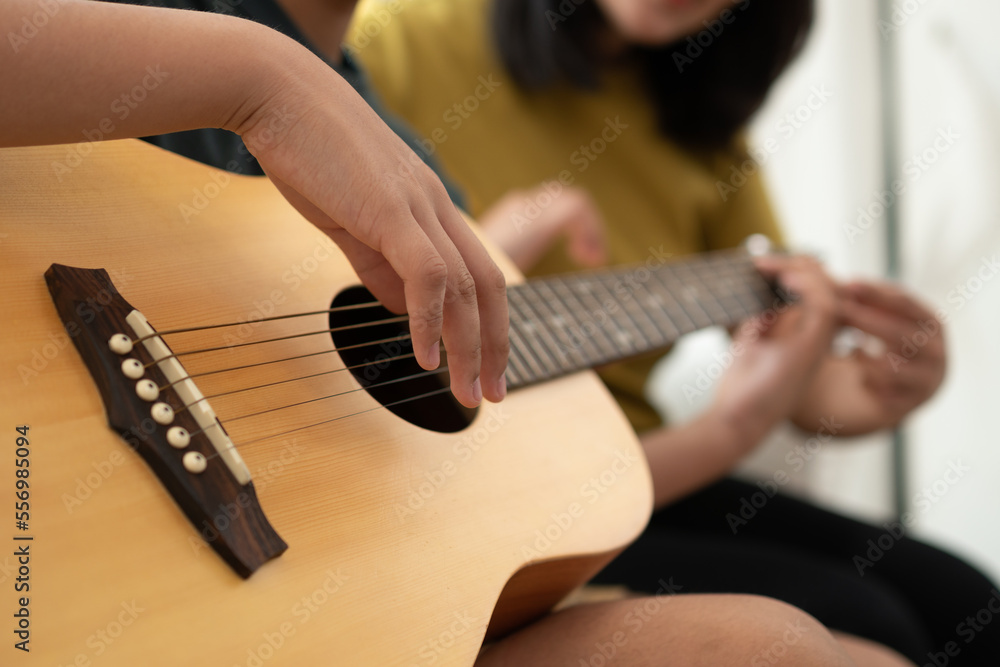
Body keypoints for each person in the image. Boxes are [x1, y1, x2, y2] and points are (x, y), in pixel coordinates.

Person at [0, 1, 919, 664]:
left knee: (799, 641)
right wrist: (263, 80)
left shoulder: (414, 154)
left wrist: (811, 381)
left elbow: (467, 471)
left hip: (323, 565)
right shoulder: (151, 26)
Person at [348, 0, 1000, 663]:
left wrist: (876, 388)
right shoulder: (396, 44)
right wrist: (479, 255)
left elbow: (794, 366)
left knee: (966, 599)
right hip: (484, 495)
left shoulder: (701, 123)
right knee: (869, 616)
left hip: (643, 466)